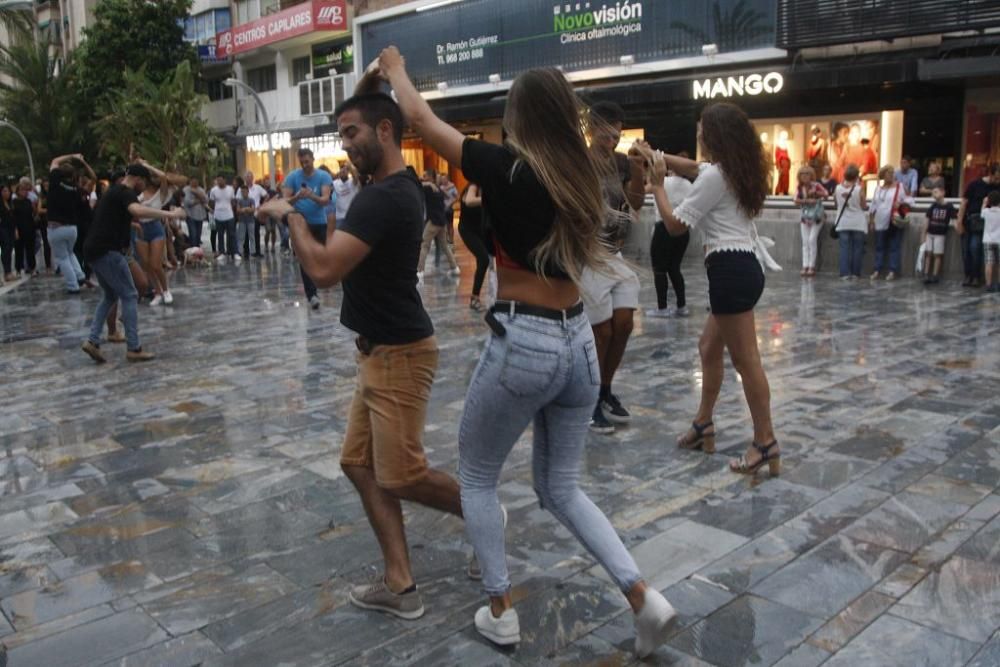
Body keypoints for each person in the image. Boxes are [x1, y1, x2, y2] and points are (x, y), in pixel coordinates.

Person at [377, 46, 678, 657]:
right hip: (577, 342)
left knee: (479, 475)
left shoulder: (509, 169)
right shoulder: (581, 176)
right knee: (563, 488)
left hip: (526, 339)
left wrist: (394, 68)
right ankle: (644, 596)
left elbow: (420, 119)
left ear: (518, 116)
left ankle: (499, 610)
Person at [259, 81, 466, 625]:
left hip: (399, 355)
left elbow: (324, 270)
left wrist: (291, 217)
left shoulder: (384, 196)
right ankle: (401, 585)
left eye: (351, 133)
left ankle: (484, 512)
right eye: (340, 134)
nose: (344, 143)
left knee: (401, 474)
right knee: (358, 463)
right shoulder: (392, 188)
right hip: (378, 354)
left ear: (384, 130)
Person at [649, 102, 780, 478]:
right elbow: (691, 167)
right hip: (742, 268)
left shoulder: (715, 178)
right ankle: (703, 423)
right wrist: (654, 155)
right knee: (708, 348)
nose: (699, 133)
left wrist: (658, 185)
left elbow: (675, 226)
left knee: (747, 363)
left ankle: (765, 441)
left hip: (730, 273)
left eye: (702, 128)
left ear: (714, 135)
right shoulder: (733, 169)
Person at [580, 101, 645, 434]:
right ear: (592, 130)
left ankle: (605, 389)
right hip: (588, 255)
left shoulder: (622, 163)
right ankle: (589, 400)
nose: (614, 139)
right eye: (608, 132)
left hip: (615, 253)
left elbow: (634, 204)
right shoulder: (579, 159)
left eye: (617, 132)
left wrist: (637, 173)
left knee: (624, 322)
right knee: (600, 331)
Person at [80, 164, 186, 364]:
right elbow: (136, 208)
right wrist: (170, 215)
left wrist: (132, 225)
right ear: (137, 179)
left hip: (94, 250)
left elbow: (111, 218)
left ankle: (92, 341)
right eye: (143, 183)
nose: (143, 187)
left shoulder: (113, 192)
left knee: (110, 295)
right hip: (108, 251)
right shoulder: (125, 192)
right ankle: (134, 348)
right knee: (129, 294)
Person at [283, 148, 334, 309]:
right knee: (305, 258)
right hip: (300, 222)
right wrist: (298, 196)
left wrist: (312, 196)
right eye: (302, 162)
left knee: (319, 255)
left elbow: (325, 200)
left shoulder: (323, 176)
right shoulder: (293, 177)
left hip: (319, 221)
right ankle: (311, 294)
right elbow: (285, 201)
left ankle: (320, 283)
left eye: (307, 161)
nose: (305, 165)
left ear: (313, 159)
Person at [135, 160, 187, 304]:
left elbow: (164, 177)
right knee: (146, 264)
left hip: (155, 227)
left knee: (155, 263)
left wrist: (147, 165)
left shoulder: (162, 193)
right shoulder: (137, 193)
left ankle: (166, 290)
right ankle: (157, 291)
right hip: (140, 228)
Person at [646, 163, 692, 318]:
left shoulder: (662, 182)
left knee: (659, 270)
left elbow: (642, 191)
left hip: (663, 227)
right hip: (683, 229)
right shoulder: (689, 185)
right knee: (674, 268)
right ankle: (682, 305)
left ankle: (662, 308)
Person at [46, 154, 94, 294]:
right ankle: (80, 276)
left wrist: (72, 155)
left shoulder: (55, 182)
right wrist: (81, 161)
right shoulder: (75, 188)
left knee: (62, 257)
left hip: (56, 227)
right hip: (72, 228)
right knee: (70, 253)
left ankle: (73, 286)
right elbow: (92, 179)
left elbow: (54, 160)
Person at [957, 163, 998, 287]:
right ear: (990, 174)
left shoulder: (997, 188)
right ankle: (968, 275)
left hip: (984, 222)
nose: (997, 181)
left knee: (975, 248)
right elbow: (964, 203)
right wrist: (959, 221)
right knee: (966, 250)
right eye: (996, 178)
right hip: (969, 219)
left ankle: (975, 276)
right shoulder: (974, 184)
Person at [416, 168, 460, 278]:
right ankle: (454, 268)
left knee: (424, 245)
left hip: (434, 221)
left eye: (425, 176)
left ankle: (420, 271)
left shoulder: (429, 188)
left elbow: (415, 183)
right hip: (442, 221)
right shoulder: (438, 189)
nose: (423, 177)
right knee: (444, 246)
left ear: (431, 177)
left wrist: (427, 183)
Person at [869, 165, 906, 281]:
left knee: (894, 246)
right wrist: (871, 220)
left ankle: (892, 270)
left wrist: (899, 205)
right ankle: (877, 269)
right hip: (880, 220)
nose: (891, 175)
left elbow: (906, 200)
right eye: (888, 173)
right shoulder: (878, 189)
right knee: (879, 246)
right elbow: (873, 205)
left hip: (892, 220)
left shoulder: (899, 187)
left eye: (892, 172)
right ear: (883, 175)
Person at [458, 182, 490, 311]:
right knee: (483, 259)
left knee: (484, 262)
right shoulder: (474, 186)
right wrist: (490, 200)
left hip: (480, 230)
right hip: (467, 230)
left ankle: (478, 298)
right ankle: (474, 298)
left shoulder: (487, 188)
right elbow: (470, 201)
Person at [834, 165, 869, 280]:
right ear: (856, 176)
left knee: (844, 248)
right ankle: (855, 273)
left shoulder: (837, 188)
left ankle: (844, 273)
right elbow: (864, 206)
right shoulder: (859, 189)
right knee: (857, 248)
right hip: (857, 222)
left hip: (843, 222)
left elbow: (836, 204)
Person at [793, 165, 829, 278]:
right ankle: (805, 265)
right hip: (805, 217)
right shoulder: (799, 188)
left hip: (817, 217)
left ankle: (811, 266)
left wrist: (817, 194)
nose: (804, 176)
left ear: (811, 175)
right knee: (805, 242)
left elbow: (826, 194)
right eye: (802, 174)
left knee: (812, 239)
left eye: (807, 174)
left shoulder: (816, 185)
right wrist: (806, 200)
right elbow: (795, 200)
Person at [922, 186, 956, 285]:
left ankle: (935, 275)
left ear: (943, 193)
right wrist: (924, 234)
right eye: (933, 192)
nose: (934, 194)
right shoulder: (933, 206)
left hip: (940, 234)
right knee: (928, 253)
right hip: (930, 232)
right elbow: (927, 220)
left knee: (938, 254)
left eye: (936, 192)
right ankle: (926, 273)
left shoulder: (949, 206)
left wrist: (957, 226)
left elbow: (954, 218)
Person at [209, 175, 236, 263]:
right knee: (220, 235)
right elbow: (211, 202)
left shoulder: (230, 189)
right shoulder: (213, 190)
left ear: (225, 180)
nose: (219, 182)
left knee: (231, 234)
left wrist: (230, 209)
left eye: (221, 180)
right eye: (218, 180)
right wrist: (216, 209)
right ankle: (221, 252)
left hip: (229, 214)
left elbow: (233, 201)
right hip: (218, 215)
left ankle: (234, 252)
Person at [12, 181, 37, 276]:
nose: (25, 192)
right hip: (19, 227)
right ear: (18, 191)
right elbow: (13, 217)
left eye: (26, 190)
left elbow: (33, 214)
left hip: (29, 227)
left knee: (30, 249)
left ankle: (32, 267)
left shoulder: (28, 201)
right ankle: (18, 269)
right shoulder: (14, 202)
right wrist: (15, 229)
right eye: (22, 190)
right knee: (19, 250)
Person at [244, 170, 268, 257]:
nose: (248, 179)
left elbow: (266, 195)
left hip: (255, 213)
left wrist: (261, 205)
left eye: (250, 177)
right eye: (247, 177)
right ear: (245, 179)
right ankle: (246, 251)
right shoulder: (242, 189)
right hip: (245, 214)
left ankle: (257, 251)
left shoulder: (257, 188)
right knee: (246, 234)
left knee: (256, 233)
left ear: (252, 178)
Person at [182, 177, 208, 248]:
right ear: (190, 181)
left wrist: (197, 193)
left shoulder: (201, 190)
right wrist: (199, 200)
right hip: (190, 215)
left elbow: (206, 200)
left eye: (196, 182)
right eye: (193, 181)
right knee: (193, 234)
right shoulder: (186, 190)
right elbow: (187, 202)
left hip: (200, 215)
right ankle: (193, 249)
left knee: (198, 234)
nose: (195, 183)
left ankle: (197, 249)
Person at [983, 190, 1000, 293]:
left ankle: (988, 284)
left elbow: (981, 213)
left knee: (988, 263)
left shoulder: (985, 211)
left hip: (987, 240)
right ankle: (998, 284)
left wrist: (984, 203)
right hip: (999, 240)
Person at [235, 184, 257, 262]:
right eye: (242, 192)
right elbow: (238, 210)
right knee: (241, 237)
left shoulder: (251, 200)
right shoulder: (240, 200)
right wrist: (246, 209)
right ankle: (240, 252)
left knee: (252, 237)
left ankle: (253, 252)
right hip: (242, 221)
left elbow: (253, 209)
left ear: (248, 192)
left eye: (245, 191)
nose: (244, 193)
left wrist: (244, 210)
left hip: (251, 221)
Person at [0, 185, 14, 281]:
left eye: (8, 191)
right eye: (4, 191)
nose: (7, 193)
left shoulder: (10, 203)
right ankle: (6, 272)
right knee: (5, 247)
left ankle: (8, 272)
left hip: (10, 228)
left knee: (9, 248)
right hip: (2, 228)